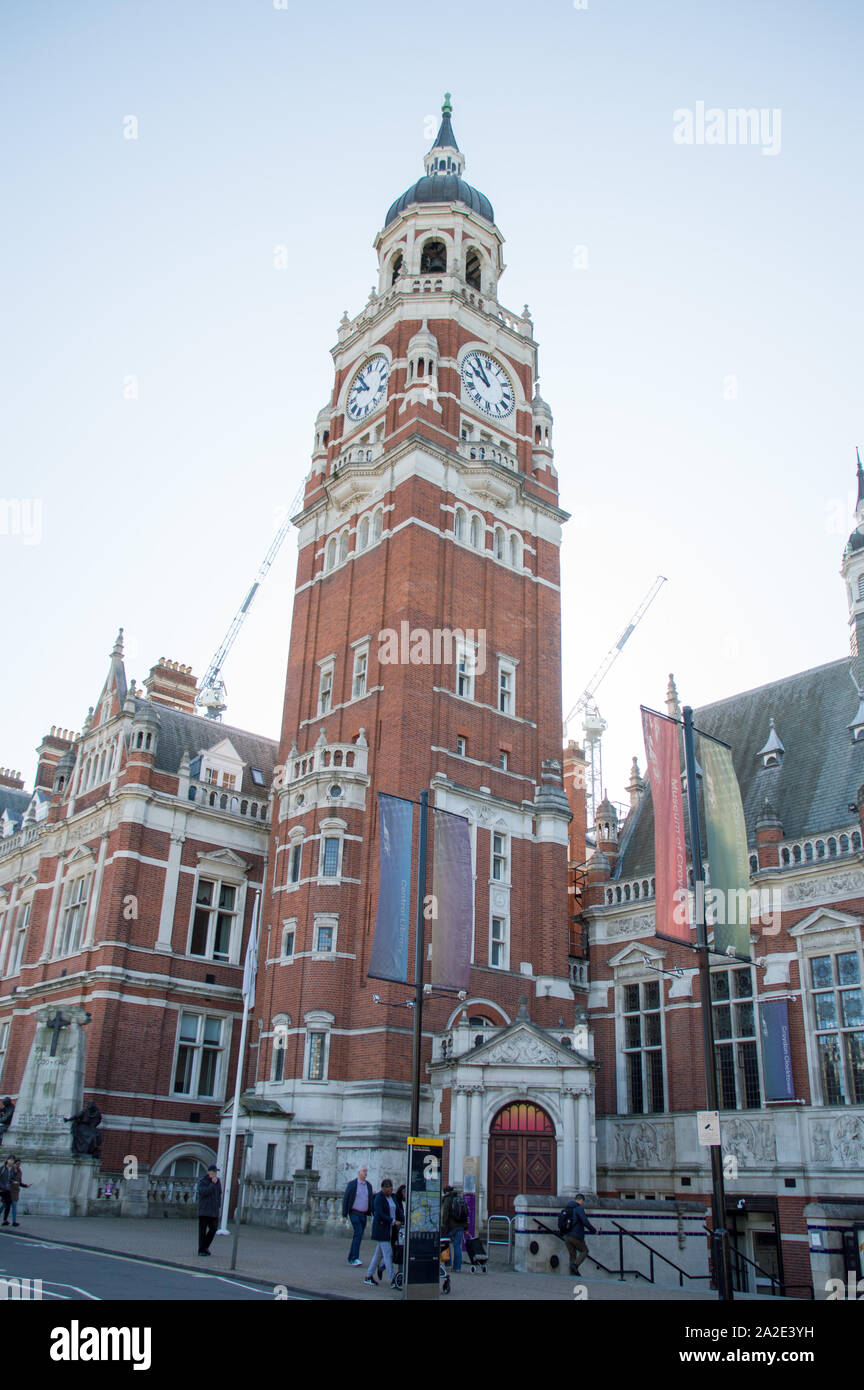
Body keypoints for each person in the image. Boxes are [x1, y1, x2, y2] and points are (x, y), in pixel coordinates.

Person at [363, 1179, 403, 1288]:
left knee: (378, 1255)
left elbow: (398, 1210)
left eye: (391, 1188)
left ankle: (368, 1276)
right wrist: (393, 1221)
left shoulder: (392, 1197)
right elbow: (380, 1214)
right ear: (383, 1188)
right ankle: (393, 1279)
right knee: (388, 1254)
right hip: (382, 1229)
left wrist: (404, 1220)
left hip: (390, 1230)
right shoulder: (379, 1198)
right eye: (388, 1188)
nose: (390, 1191)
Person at [342, 1164, 374, 1266]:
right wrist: (344, 1215)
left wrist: (372, 1213)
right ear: (359, 1172)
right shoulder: (352, 1184)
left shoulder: (368, 1186)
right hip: (354, 1212)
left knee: (358, 1235)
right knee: (358, 1232)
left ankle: (351, 1257)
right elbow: (346, 1199)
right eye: (364, 1171)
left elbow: (370, 1200)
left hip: (363, 1214)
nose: (365, 1173)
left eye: (366, 1171)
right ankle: (355, 1257)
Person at [561, 1193, 596, 1275]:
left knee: (572, 1255)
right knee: (584, 1251)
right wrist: (594, 1231)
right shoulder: (579, 1208)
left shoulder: (568, 1208)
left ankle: (572, 1274)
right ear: (581, 1200)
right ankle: (575, 1265)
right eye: (583, 1201)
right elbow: (585, 1221)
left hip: (566, 1236)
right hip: (575, 1236)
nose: (583, 1203)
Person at [441, 1184, 469, 1272]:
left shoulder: (447, 1199)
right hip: (460, 1226)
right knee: (457, 1246)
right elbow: (465, 1214)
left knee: (446, 1244)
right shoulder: (460, 1198)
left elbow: (445, 1214)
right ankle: (457, 1267)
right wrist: (466, 1228)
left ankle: (448, 1265)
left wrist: (444, 1225)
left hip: (450, 1227)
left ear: (446, 1192)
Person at [196, 1163, 222, 1256]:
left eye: (216, 1172)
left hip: (213, 1211)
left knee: (213, 1229)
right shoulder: (203, 1181)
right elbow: (204, 1192)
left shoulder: (218, 1182)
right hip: (204, 1210)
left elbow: (219, 1194)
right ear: (209, 1172)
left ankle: (205, 1246)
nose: (215, 1173)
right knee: (202, 1231)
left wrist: (218, 1206)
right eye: (213, 1172)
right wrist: (212, 1184)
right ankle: (201, 1250)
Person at [7, 1157, 28, 1227]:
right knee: (4, 1205)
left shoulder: (20, 1171)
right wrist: (13, 1181)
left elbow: (19, 1182)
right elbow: (8, 1179)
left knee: (14, 1206)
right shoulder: (11, 1170)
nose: (18, 1165)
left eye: (19, 1164)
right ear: (14, 1164)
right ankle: (7, 1220)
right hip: (9, 1190)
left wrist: (25, 1186)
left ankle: (14, 1221)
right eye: (17, 1164)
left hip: (15, 1191)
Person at [0, 1157, 13, 1226]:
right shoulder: (2, 1168)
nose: (12, 1162)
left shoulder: (10, 1170)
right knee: (7, 1202)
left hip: (6, 1189)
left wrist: (14, 1182)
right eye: (11, 1160)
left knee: (9, 1202)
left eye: (13, 1160)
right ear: (7, 1160)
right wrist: (2, 1186)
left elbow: (9, 1180)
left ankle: (5, 1220)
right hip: (1, 1188)